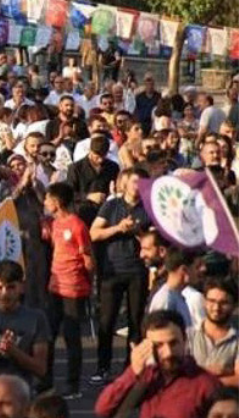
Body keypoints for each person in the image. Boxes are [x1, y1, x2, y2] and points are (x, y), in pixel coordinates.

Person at [95, 310, 221, 418]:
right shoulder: (144, 379)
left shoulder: (206, 385)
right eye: (159, 345)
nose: (168, 353)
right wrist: (133, 372)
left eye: (173, 343)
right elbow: (103, 409)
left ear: (185, 340)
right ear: (147, 346)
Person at [90, 167, 151, 385]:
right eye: (134, 182)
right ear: (124, 183)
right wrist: (118, 228)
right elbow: (94, 233)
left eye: (141, 183)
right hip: (112, 269)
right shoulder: (112, 205)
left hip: (138, 270)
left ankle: (130, 368)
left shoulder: (148, 209)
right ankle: (102, 367)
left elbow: (154, 239)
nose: (137, 187)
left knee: (136, 321)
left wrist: (138, 232)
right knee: (107, 320)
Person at [0, 261, 51, 387]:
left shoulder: (37, 318)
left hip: (21, 393)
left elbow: (40, 368)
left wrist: (14, 351)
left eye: (11, 287)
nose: (5, 294)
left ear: (22, 287)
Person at [44, 182, 93, 399]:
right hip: (55, 287)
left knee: (72, 338)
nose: (45, 202)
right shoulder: (54, 224)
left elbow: (88, 259)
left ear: (55, 202)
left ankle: (72, 385)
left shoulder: (77, 225)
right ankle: (45, 381)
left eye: (47, 199)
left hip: (74, 289)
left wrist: (90, 282)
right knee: (49, 335)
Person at [188, 278, 239, 388]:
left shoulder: (237, 340)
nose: (216, 308)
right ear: (204, 302)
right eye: (212, 301)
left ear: (234, 306)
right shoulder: (188, 335)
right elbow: (179, 374)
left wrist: (199, 375)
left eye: (224, 303)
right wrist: (215, 371)